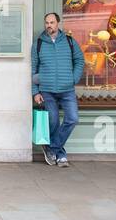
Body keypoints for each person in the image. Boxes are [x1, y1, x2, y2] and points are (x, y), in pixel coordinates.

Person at [31, 12, 84, 167]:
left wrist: (73, 79)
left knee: (73, 119)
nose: (49, 25)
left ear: (58, 23)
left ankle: (52, 149)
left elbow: (80, 60)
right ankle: (60, 155)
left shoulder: (69, 41)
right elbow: (33, 70)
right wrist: (35, 92)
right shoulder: (38, 44)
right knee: (53, 121)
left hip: (67, 89)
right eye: (47, 22)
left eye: (52, 22)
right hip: (47, 90)